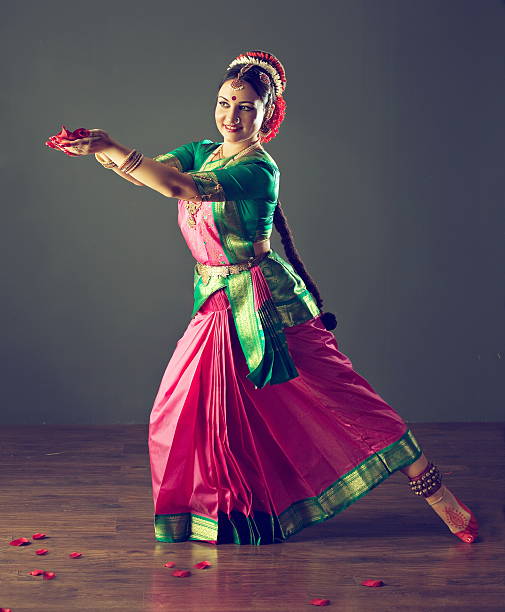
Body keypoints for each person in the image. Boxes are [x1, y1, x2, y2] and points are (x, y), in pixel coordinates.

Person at [57, 50, 478, 546]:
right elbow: (144, 173)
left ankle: (436, 492)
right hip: (215, 300)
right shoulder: (203, 150)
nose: (230, 116)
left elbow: (176, 187)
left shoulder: (259, 169)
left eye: (245, 108)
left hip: (267, 304)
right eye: (224, 103)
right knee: (200, 411)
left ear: (266, 115)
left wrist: (110, 145)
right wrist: (97, 150)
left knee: (343, 400)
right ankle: (238, 514)